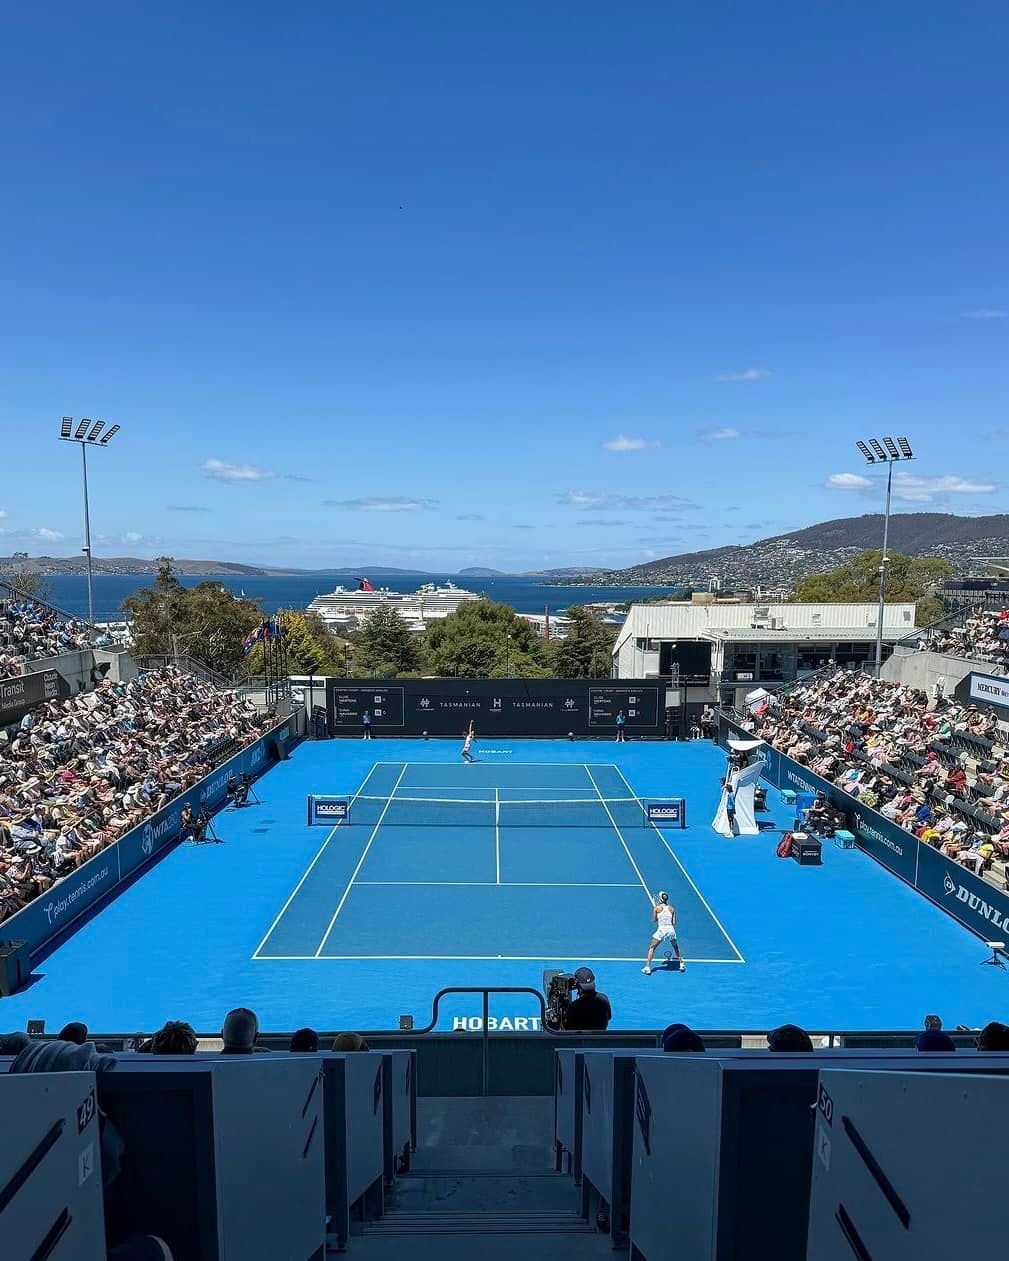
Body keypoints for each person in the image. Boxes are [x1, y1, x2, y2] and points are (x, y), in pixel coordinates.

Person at [642, 891, 685, 975]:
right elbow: (674, 922)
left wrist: (659, 915)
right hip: (671, 930)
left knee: (652, 947)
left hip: (661, 930)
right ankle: (681, 964)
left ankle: (647, 967)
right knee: (675, 947)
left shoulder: (656, 908)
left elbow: (654, 920)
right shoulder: (672, 908)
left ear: (660, 899)